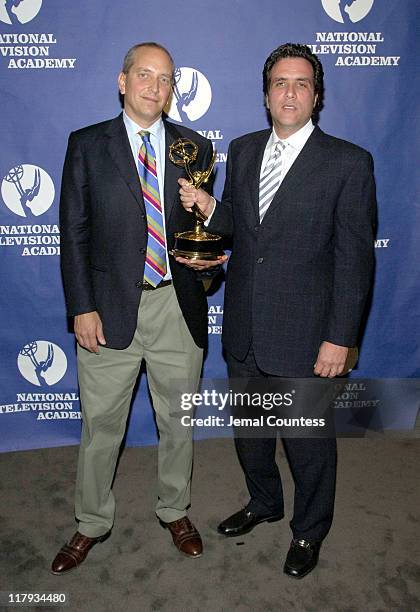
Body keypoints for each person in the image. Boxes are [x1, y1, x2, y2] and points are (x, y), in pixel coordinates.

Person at [177, 43, 376, 579]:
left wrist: (340, 338)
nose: (290, 92)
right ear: (266, 94)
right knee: (253, 436)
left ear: (317, 96)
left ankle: (309, 530)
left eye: (302, 83)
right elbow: (244, 227)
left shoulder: (348, 162)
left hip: (308, 335)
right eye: (280, 83)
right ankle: (264, 502)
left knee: (309, 446)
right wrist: (208, 209)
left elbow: (355, 263)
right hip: (243, 327)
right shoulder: (242, 150)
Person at [51, 42, 216, 574]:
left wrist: (206, 258)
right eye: (144, 74)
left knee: (179, 420)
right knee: (101, 426)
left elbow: (208, 232)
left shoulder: (194, 147)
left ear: (173, 90)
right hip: (108, 308)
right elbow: (72, 233)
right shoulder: (87, 144)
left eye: (165, 78)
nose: (155, 85)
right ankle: (91, 521)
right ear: (123, 81)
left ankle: (174, 509)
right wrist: (81, 306)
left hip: (177, 306)